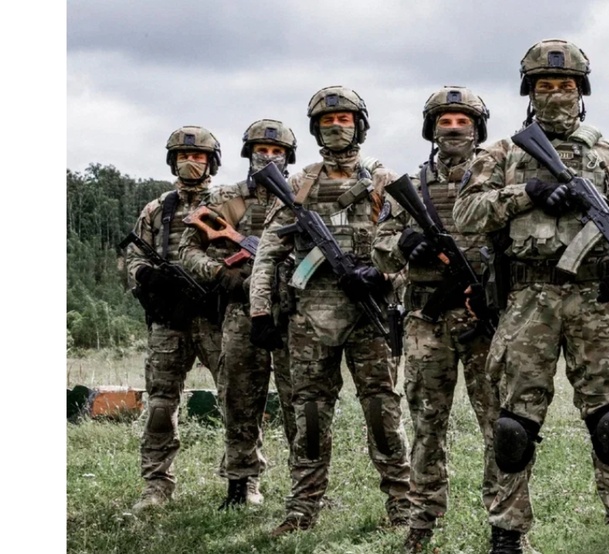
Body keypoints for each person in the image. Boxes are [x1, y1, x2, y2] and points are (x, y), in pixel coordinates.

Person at [452, 38, 609, 554]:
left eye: (565, 85)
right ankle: (507, 532)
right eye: (544, 85)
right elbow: (466, 216)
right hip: (529, 298)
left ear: (581, 91)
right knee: (514, 425)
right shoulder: (502, 154)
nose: (555, 94)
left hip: (598, 299)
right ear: (529, 91)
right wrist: (526, 193)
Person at [247, 85, 411, 536]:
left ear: (359, 126)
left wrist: (384, 277)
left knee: (382, 411)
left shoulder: (384, 182)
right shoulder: (299, 184)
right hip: (309, 319)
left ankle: (402, 504)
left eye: (344, 120)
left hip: (370, 315)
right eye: (327, 121)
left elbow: (410, 248)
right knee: (310, 416)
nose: (336, 127)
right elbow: (269, 252)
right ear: (315, 129)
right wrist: (259, 312)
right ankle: (302, 508)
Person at [371, 86, 502, 553]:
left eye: (462, 121)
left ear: (477, 129)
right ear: (432, 129)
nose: (453, 129)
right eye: (445, 121)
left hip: (484, 320)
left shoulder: (496, 180)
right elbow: (380, 248)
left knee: (499, 426)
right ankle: (422, 522)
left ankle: (506, 527)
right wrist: (404, 244)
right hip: (426, 321)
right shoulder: (412, 187)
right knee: (427, 425)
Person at [179, 119, 300, 509]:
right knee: (239, 397)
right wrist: (219, 273)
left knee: (301, 399)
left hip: (292, 313)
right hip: (241, 312)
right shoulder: (226, 198)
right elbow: (187, 249)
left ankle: (307, 485)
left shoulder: (302, 197)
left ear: (289, 157)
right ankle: (241, 483)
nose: (269, 157)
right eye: (261, 150)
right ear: (249, 154)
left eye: (277, 151)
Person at [124, 125, 226, 512]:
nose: (190, 162)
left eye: (198, 156)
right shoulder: (156, 210)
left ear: (212, 162)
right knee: (161, 405)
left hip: (216, 318)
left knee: (237, 400)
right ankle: (156, 485)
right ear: (172, 161)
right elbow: (134, 257)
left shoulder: (227, 204)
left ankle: (243, 479)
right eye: (184, 156)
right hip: (169, 320)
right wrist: (146, 276)